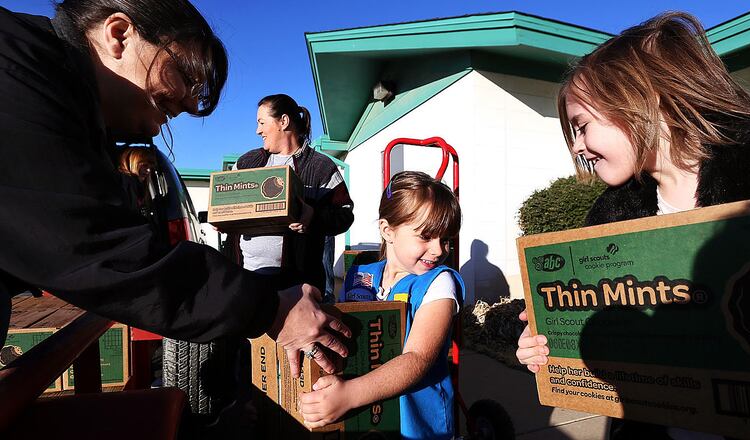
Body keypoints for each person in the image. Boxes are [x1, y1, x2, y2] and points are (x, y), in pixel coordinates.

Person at [0, 0, 350, 380]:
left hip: (296, 280)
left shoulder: (321, 167)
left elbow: (342, 215)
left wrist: (311, 220)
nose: (187, 102)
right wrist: (267, 307)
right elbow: (92, 244)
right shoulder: (18, 76)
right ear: (119, 34)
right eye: (185, 73)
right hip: (260, 283)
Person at [516, 11, 750, 440]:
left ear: (641, 99)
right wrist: (550, 343)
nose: (576, 146)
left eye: (581, 126)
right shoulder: (608, 220)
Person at [299, 171, 464, 439]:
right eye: (426, 236)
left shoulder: (439, 283)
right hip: (365, 418)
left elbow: (418, 359)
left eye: (445, 239)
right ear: (388, 231)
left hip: (417, 425)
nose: (438, 250)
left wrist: (349, 395)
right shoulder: (360, 276)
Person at [224, 94, 354, 291]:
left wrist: (313, 216)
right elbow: (227, 202)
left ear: (283, 122)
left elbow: (344, 214)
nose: (258, 130)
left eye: (261, 123)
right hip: (246, 281)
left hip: (296, 286)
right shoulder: (246, 163)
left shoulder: (320, 167)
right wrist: (224, 218)